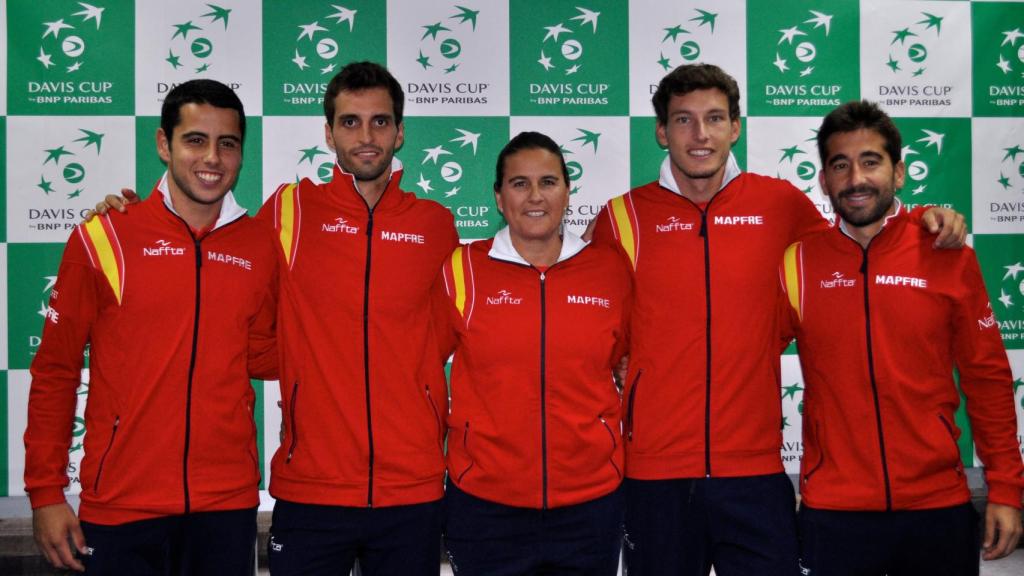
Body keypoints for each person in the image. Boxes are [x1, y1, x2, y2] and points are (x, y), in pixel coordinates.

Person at [587, 63, 967, 576]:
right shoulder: (621, 217)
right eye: (683, 120)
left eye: (715, 118)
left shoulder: (780, 204)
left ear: (736, 127)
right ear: (661, 131)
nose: (700, 134)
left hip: (756, 471)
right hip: (655, 475)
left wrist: (922, 217)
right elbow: (584, 323)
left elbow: (858, 241)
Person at [25, 79, 279, 574]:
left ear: (242, 153)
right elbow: (55, 370)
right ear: (164, 144)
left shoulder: (260, 245)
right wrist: (45, 494)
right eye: (195, 140)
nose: (212, 158)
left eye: (227, 143)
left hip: (225, 507)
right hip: (121, 506)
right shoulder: (106, 236)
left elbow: (266, 353)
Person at [779, 99, 1023, 576]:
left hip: (938, 506)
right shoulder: (798, 262)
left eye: (871, 161)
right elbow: (737, 354)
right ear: (824, 179)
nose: (856, 179)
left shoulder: (946, 253)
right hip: (834, 512)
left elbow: (988, 379)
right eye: (840, 165)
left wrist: (1008, 490)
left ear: (900, 173)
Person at [256, 62, 458, 575]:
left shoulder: (434, 224)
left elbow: (443, 335)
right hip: (312, 487)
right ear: (328, 133)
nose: (366, 137)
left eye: (380, 122)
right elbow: (221, 277)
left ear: (400, 131)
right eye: (350, 122)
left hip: (411, 487)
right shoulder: (288, 211)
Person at [436, 132, 632, 575]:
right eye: (519, 184)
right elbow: (422, 362)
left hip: (590, 505)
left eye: (548, 181)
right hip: (485, 506)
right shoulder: (462, 268)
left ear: (567, 191)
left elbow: (624, 359)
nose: (535, 196)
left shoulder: (609, 269)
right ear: (499, 198)